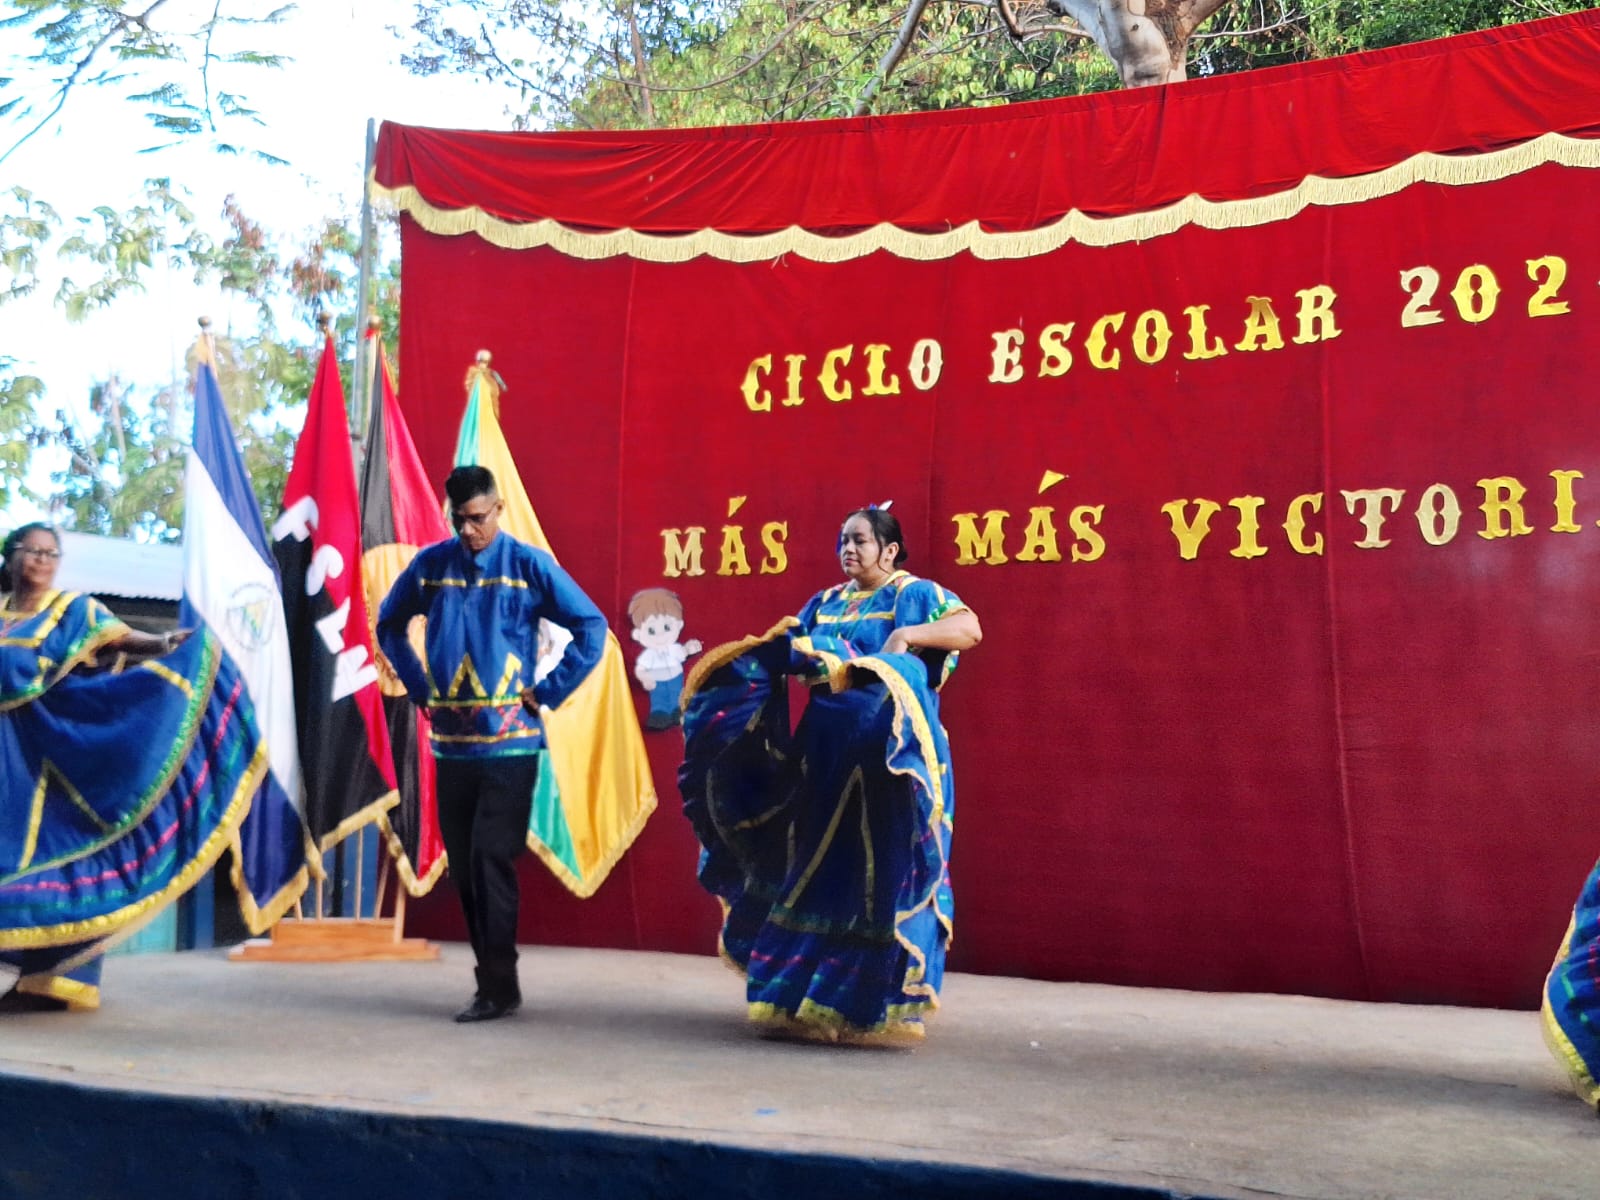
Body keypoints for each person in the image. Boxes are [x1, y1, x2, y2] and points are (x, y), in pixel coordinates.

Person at [679, 506, 981, 1045]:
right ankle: (801, 1002)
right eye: (843, 540)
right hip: (824, 757)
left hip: (889, 760)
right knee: (815, 871)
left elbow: (969, 629)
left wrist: (905, 638)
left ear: (889, 550)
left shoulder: (914, 595)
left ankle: (871, 1009)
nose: (848, 549)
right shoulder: (826, 603)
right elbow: (798, 649)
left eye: (860, 540)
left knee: (879, 875)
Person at [0, 523, 275, 1012]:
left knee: (58, 851)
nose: (41, 560)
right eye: (32, 551)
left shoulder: (74, 609)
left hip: (52, 757)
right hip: (6, 756)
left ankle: (49, 979)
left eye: (51, 552)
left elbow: (121, 638)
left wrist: (167, 641)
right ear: (9, 556)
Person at [376, 465, 607, 1023]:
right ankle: (494, 982)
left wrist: (548, 691)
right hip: (451, 748)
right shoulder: (431, 566)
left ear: (498, 509)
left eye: (477, 518)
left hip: (512, 749)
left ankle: (498, 986)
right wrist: (419, 686)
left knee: (489, 859)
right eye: (458, 519)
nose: (468, 530)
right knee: (465, 868)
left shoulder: (528, 566)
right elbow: (388, 624)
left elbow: (592, 627)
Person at [627, 587, 702, 730]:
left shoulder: (674, 648)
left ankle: (678, 710)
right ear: (638, 634)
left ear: (679, 625)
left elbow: (683, 652)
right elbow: (641, 669)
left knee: (677, 694)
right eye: (651, 630)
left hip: (675, 677)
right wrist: (645, 678)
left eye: (667, 627)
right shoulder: (649, 655)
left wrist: (689, 648)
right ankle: (660, 714)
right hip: (657, 680)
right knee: (658, 698)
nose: (660, 635)